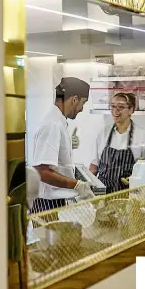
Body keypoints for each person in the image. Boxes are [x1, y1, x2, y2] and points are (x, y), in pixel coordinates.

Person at [29, 77, 95, 213]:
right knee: (49, 235)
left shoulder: (57, 122)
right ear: (74, 99)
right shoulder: (52, 125)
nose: (82, 109)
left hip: (53, 201)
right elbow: (42, 171)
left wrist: (67, 144)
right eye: (83, 103)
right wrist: (77, 185)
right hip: (46, 204)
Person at [89, 92, 145, 193]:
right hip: (103, 195)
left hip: (131, 195)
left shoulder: (144, 136)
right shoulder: (103, 134)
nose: (115, 111)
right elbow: (95, 165)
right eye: (113, 106)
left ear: (131, 109)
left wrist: (136, 178)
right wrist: (86, 185)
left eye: (120, 107)